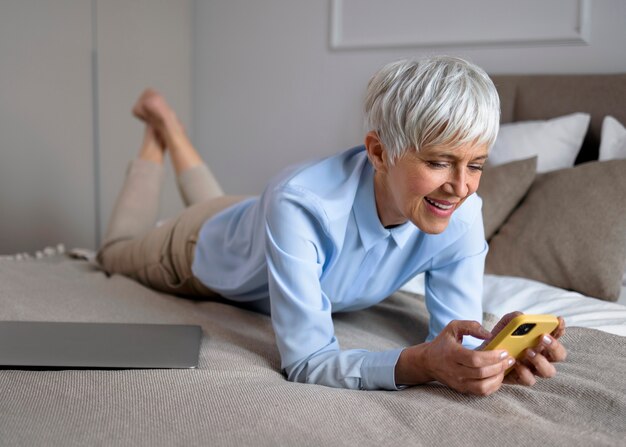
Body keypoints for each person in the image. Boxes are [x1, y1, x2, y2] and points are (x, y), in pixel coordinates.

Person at [98, 56, 567, 394]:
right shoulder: (299, 205)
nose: (461, 187)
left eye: (476, 165)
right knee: (114, 253)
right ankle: (157, 139)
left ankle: (173, 130)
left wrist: (491, 354)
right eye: (441, 163)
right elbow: (307, 361)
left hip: (257, 220)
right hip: (198, 245)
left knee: (229, 206)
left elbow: (453, 337)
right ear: (379, 152)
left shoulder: (461, 213)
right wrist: (420, 364)